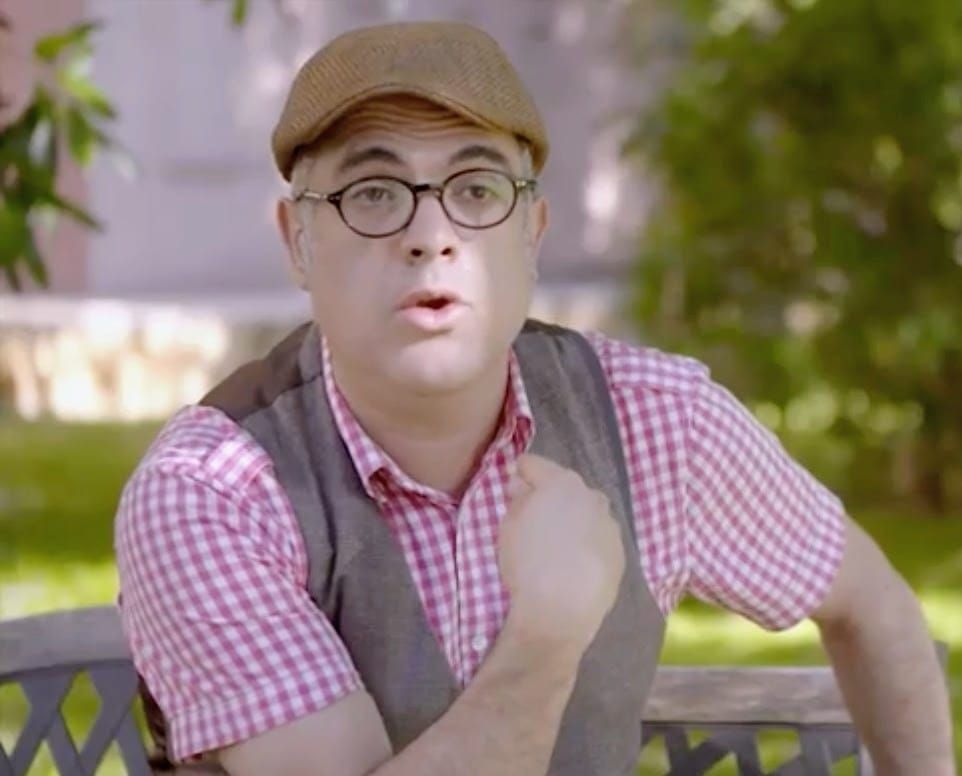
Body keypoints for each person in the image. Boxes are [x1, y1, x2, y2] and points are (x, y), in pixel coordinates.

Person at [114, 20, 954, 776]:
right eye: (373, 193)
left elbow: (872, 606)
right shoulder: (210, 493)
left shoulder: (655, 421)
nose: (430, 236)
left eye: (477, 190)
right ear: (297, 240)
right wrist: (548, 632)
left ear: (531, 234)